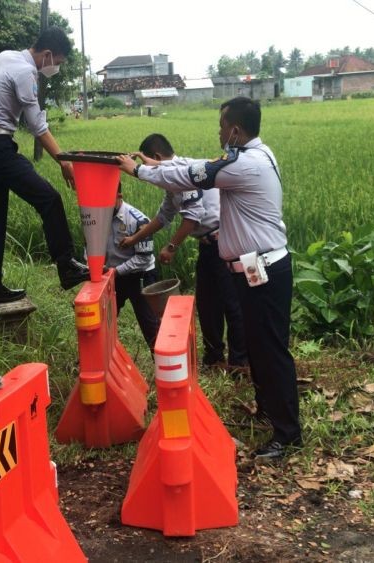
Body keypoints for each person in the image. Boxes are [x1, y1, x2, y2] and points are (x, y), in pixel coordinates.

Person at [116, 97, 301, 460]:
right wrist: (157, 164)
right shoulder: (254, 156)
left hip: (262, 270)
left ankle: (288, 434)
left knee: (271, 349)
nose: (218, 132)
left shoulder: (243, 165)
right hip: (254, 268)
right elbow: (194, 165)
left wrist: (138, 172)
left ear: (234, 130)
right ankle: (268, 411)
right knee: (258, 344)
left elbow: (192, 173)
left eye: (221, 126)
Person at [0, 27, 90, 306]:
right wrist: (65, 162)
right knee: (49, 198)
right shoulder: (26, 73)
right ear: (47, 54)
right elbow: (37, 126)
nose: (56, 68)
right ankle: (67, 265)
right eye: (57, 62)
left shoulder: (5, 56)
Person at [121, 133, 248, 371]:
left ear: (156, 157)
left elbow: (192, 216)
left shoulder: (185, 171)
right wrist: (134, 239)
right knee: (207, 304)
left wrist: (171, 247)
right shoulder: (174, 179)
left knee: (232, 304)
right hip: (208, 245)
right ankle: (214, 359)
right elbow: (163, 216)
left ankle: (239, 362)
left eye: (151, 164)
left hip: (224, 244)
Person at [105, 185, 161, 351]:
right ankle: (102, 361)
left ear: (119, 196)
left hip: (141, 275)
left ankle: (163, 366)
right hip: (112, 275)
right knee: (104, 319)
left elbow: (143, 259)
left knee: (150, 325)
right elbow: (90, 245)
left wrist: (115, 272)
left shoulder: (137, 220)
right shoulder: (97, 216)